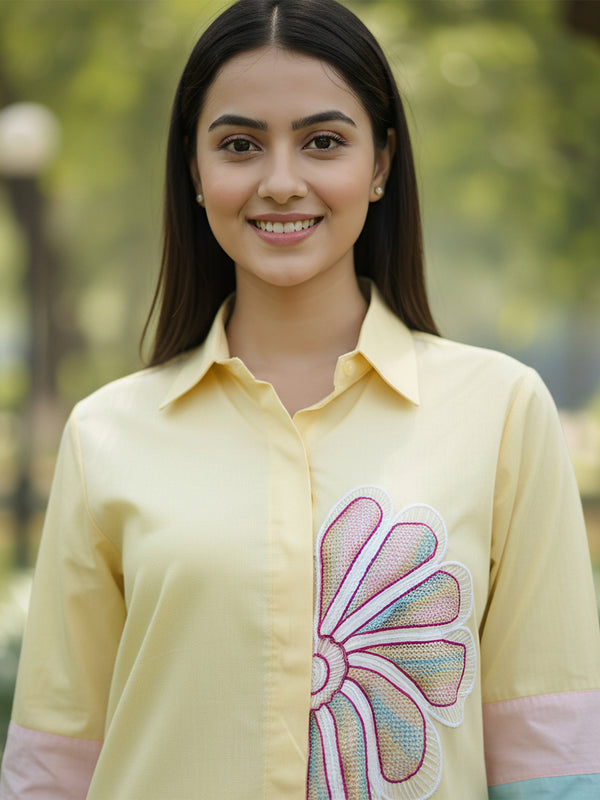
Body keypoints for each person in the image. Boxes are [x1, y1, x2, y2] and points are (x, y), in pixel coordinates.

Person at [1, 0, 599, 797]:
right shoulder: (106, 434)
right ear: (195, 170)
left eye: (323, 142)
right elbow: (54, 764)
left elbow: (549, 759)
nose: (281, 183)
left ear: (381, 163)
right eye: (240, 145)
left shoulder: (501, 413)